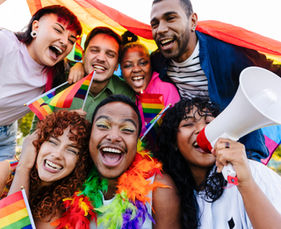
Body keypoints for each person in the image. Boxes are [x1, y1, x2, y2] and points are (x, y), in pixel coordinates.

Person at [150, 0, 281, 161]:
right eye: (154, 24)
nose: (161, 29)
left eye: (170, 18)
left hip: (240, 154)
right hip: (193, 156)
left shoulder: (228, 53)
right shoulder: (157, 62)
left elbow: (270, 73)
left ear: (192, 21)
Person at [0, 0, 83, 179]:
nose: (65, 42)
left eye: (71, 40)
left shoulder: (56, 72)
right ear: (36, 26)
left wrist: (80, 64)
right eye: (58, 30)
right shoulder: (4, 43)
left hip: (1, 142)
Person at [56, 95, 180, 229]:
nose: (114, 137)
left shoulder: (159, 189)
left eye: (127, 130)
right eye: (103, 126)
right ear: (90, 135)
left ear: (137, 142)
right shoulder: (72, 181)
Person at [155, 97, 281, 228]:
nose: (202, 130)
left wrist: (246, 183)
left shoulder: (251, 171)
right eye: (188, 124)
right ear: (173, 142)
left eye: (209, 123)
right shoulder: (179, 196)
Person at [0, 110, 92, 228]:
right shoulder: (2, 173)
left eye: (71, 150)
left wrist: (24, 168)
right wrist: (23, 167)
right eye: (53, 142)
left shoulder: (64, 206)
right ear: (38, 142)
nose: (57, 154)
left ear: (80, 163)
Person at [120, 31, 180, 133]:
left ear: (151, 65)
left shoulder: (165, 89)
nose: (136, 69)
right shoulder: (122, 92)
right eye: (128, 65)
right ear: (120, 69)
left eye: (143, 63)